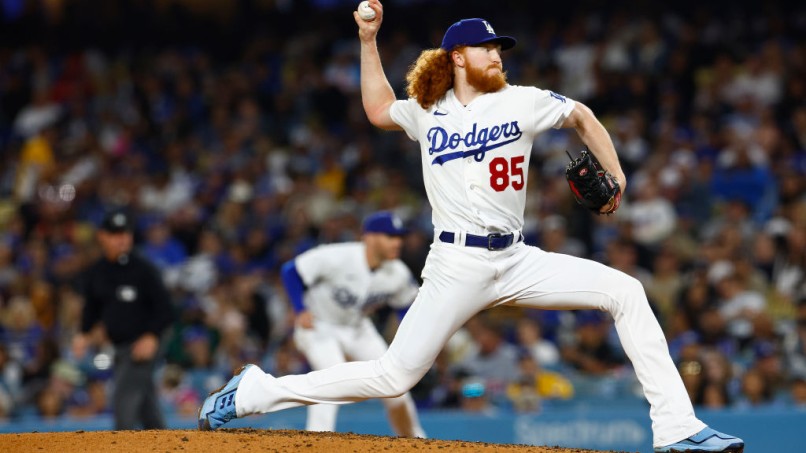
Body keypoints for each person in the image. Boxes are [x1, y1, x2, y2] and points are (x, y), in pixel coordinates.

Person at [199, 3, 743, 452]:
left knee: (626, 291)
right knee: (393, 376)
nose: (497, 55)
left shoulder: (523, 101)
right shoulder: (426, 110)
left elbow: (581, 115)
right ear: (458, 56)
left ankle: (677, 429)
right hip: (456, 264)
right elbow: (379, 109)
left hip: (517, 259)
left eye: (499, 48)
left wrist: (617, 174)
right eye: (486, 48)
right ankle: (254, 392)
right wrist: (368, 41)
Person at [278, 211, 425, 437]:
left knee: (396, 384)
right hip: (319, 324)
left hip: (358, 328)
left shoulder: (397, 272)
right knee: (331, 378)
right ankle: (316, 442)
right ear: (370, 237)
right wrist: (300, 309)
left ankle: (415, 440)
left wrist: (409, 341)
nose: (398, 242)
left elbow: (405, 307)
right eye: (390, 236)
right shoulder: (339, 256)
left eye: (399, 237)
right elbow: (291, 271)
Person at [73, 209, 175, 430]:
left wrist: (151, 336)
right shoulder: (97, 272)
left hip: (145, 343)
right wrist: (83, 333)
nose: (122, 239)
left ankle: (122, 442)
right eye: (115, 234)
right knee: (146, 406)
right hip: (121, 347)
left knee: (124, 401)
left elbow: (166, 310)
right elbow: (92, 307)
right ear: (102, 236)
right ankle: (166, 441)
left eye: (125, 233)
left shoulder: (144, 270)